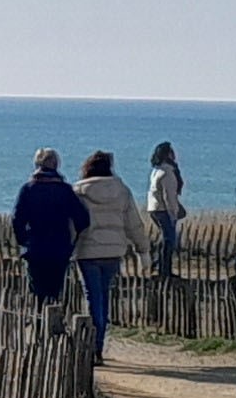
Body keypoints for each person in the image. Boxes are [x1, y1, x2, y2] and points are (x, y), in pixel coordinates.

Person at [70, 151, 139, 352]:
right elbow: (133, 223)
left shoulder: (79, 191)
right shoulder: (122, 190)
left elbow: (73, 224)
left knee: (93, 297)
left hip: (88, 250)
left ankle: (94, 346)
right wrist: (142, 248)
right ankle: (99, 343)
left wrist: (69, 247)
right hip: (113, 251)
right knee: (104, 297)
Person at [10, 149, 87, 308]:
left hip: (36, 247)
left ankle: (39, 323)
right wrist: (73, 241)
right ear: (56, 165)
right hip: (60, 247)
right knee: (55, 289)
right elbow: (83, 219)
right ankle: (53, 324)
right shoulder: (65, 190)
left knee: (37, 290)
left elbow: (17, 219)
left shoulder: (28, 189)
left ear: (37, 164)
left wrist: (24, 240)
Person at [145, 142, 188, 278]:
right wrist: (173, 212)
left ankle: (161, 267)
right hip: (163, 210)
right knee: (169, 240)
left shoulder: (156, 171)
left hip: (154, 208)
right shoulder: (167, 172)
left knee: (166, 239)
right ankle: (164, 270)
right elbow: (168, 195)